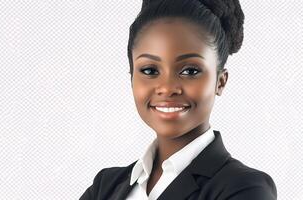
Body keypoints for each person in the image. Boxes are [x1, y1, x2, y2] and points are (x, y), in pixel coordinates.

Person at [79, 0, 277, 199]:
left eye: (190, 71)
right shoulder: (105, 187)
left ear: (220, 81)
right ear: (132, 78)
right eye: (150, 70)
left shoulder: (244, 188)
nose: (166, 88)